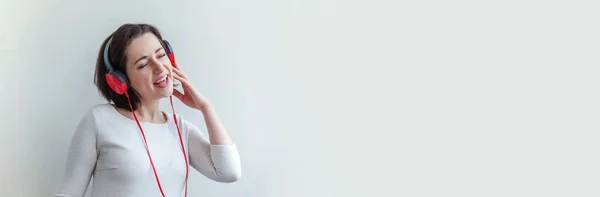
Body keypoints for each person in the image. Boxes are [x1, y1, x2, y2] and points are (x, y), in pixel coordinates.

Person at [53, 23, 241, 197]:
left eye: (161, 55)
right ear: (120, 80)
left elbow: (229, 171)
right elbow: (69, 194)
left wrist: (206, 108)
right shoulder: (99, 120)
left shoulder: (180, 128)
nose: (159, 67)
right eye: (143, 64)